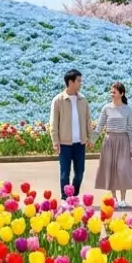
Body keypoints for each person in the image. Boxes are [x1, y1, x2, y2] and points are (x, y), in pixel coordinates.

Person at [93, 82, 132, 208]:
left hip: (123, 140)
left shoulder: (127, 109)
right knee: (111, 170)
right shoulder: (106, 108)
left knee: (123, 170)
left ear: (121, 94)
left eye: (114, 92)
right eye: (111, 92)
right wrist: (92, 140)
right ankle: (114, 199)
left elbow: (130, 129)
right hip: (109, 140)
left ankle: (123, 199)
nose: (112, 94)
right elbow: (100, 126)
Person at [50, 69, 92, 197]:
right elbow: (53, 123)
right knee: (64, 174)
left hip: (80, 144)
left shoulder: (83, 100)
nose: (81, 84)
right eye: (78, 81)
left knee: (79, 173)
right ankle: (65, 198)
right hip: (64, 143)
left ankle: (73, 194)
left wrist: (90, 138)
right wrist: (55, 141)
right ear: (70, 82)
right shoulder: (58, 100)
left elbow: (88, 120)